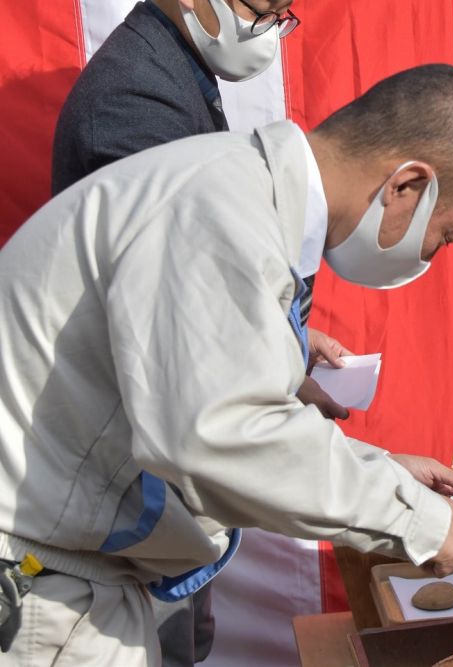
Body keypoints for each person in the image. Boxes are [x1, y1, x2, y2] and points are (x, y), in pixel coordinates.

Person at [0, 63, 453, 666]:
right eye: (446, 236)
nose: (432, 256)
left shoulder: (232, 190)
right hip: (43, 585)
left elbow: (231, 411)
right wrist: (417, 517)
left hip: (66, 573)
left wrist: (387, 472)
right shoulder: (219, 209)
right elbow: (218, 438)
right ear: (406, 186)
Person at [51, 2, 346, 663]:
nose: (272, 29)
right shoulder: (136, 99)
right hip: (126, 480)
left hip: (155, 477)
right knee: (166, 644)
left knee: (188, 638)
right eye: (263, 10)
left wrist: (288, 346)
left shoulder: (175, 69)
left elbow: (203, 266)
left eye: (284, 14)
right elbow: (176, 306)